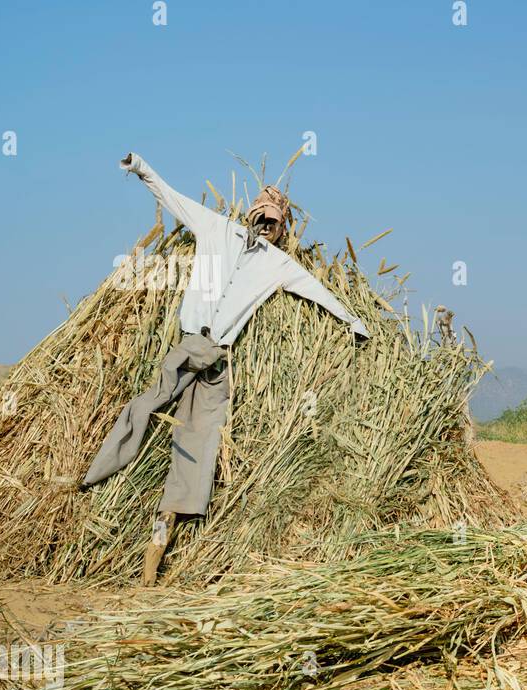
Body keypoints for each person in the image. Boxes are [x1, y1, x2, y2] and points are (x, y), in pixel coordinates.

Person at [81, 152, 371, 585]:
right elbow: (172, 197)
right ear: (250, 211)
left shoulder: (279, 266)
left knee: (197, 446)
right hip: (188, 346)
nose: (266, 223)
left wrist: (354, 322)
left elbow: (317, 293)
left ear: (282, 226)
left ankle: (159, 541)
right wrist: (141, 167)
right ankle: (95, 475)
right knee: (143, 408)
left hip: (217, 361)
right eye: (262, 214)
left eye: (274, 220)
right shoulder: (215, 227)